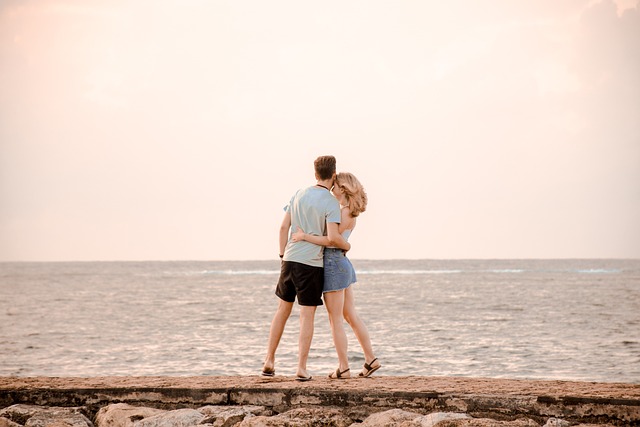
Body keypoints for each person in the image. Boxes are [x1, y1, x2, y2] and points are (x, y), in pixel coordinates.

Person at [262, 155, 351, 381]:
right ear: (333, 175)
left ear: (314, 174)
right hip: (311, 264)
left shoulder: (298, 194)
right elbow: (332, 238)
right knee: (306, 315)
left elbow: (283, 227)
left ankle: (269, 361)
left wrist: (283, 254)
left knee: (282, 310)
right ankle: (301, 368)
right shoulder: (331, 203)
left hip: (289, 260)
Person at [291, 172, 381, 379]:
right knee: (351, 316)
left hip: (333, 264)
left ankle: (344, 367)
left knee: (336, 320)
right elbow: (339, 241)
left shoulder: (343, 212)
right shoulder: (350, 211)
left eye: (336, 186)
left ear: (344, 188)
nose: (332, 189)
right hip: (342, 264)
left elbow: (332, 240)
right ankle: (371, 359)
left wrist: (304, 236)